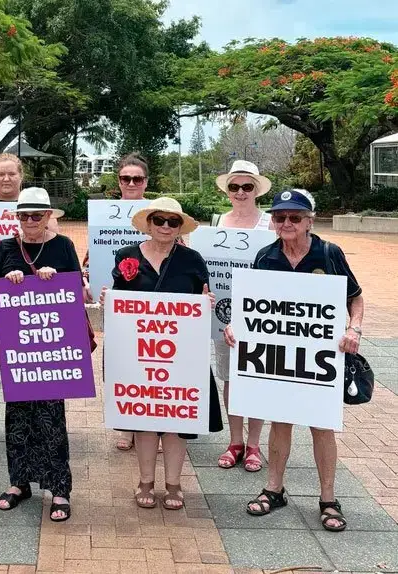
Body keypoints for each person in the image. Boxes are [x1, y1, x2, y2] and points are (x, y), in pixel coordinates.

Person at [224, 189, 363, 532]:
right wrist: (234, 325)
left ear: (309, 221)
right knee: (280, 420)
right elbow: (250, 305)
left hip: (318, 357)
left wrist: (354, 329)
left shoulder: (328, 253)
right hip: (277, 357)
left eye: (295, 217)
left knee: (320, 425)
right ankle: (274, 489)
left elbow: (355, 299)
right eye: (279, 217)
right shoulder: (265, 256)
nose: (286, 223)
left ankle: (328, 499)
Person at [100, 197, 222, 510]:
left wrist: (205, 305)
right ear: (150, 223)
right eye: (159, 220)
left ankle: (174, 483)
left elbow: (202, 297)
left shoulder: (193, 259)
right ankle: (145, 481)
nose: (165, 227)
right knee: (144, 418)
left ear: (180, 226)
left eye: (172, 221)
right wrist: (108, 299)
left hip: (181, 354)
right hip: (140, 353)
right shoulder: (126, 256)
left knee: (176, 419)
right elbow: (120, 300)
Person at [0, 187, 77, 522]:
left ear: (49, 216)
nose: (31, 220)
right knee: (18, 418)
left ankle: (59, 487)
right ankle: (19, 482)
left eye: (37, 214)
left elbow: (77, 291)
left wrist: (53, 280)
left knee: (52, 419)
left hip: (52, 347)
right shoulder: (7, 247)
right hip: (18, 347)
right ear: (17, 218)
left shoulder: (63, 246)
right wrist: (5, 283)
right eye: (24, 215)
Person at [0, 153, 60, 437]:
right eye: (1, 174)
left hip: (33, 302)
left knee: (28, 362)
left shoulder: (37, 205)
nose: (7, 178)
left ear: (21, 176)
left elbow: (56, 246)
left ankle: (30, 427)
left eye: (12, 174)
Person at [84, 152, 151, 452]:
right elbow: (93, 258)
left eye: (137, 178)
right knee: (119, 363)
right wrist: (90, 283)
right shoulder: (103, 214)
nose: (132, 183)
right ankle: (126, 424)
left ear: (146, 181)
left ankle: (151, 424)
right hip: (115, 299)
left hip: (152, 301)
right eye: (126, 178)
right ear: (119, 181)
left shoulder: (158, 211)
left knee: (152, 364)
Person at [212, 160, 273, 472]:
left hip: (261, 315)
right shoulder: (217, 221)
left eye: (246, 186)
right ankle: (235, 440)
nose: (240, 192)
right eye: (234, 186)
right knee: (230, 378)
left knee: (256, 377)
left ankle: (254, 444)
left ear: (256, 191)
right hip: (224, 314)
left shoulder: (270, 225)